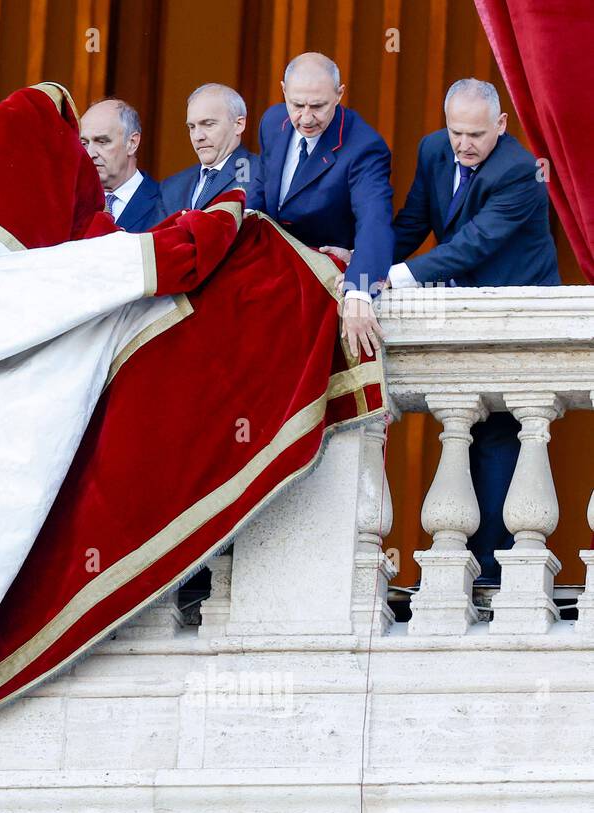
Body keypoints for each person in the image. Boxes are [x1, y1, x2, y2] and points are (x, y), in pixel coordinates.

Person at [390, 77, 561, 585]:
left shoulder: (521, 172)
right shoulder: (433, 150)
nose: (463, 144)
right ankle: (463, 568)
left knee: (501, 437)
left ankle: (491, 575)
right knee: (464, 432)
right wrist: (369, 266)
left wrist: (400, 277)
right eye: (455, 132)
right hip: (460, 308)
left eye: (476, 135)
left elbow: (477, 243)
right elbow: (412, 221)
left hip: (517, 310)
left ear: (501, 126)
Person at [248, 52, 393, 361]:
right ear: (284, 90)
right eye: (297, 105)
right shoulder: (273, 121)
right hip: (267, 279)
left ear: (340, 94)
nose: (306, 118)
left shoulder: (365, 147)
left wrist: (360, 289)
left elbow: (374, 220)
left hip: (320, 289)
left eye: (318, 106)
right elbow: (260, 188)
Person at [159, 83, 259, 219]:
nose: (198, 136)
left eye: (208, 124)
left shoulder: (261, 174)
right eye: (192, 127)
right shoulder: (171, 187)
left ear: (239, 125)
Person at [79, 98, 163, 232]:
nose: (90, 154)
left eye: (102, 141)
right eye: (84, 143)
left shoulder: (165, 203)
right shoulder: (71, 205)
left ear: (132, 143)